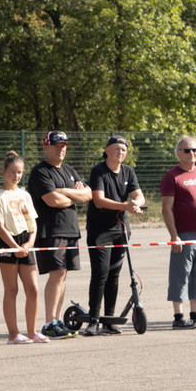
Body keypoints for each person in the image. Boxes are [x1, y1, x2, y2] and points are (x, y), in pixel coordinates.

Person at [29, 131, 90, 339]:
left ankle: (56, 320)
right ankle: (49, 323)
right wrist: (74, 195)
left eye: (63, 146)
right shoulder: (40, 172)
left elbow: (88, 194)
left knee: (63, 275)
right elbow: (53, 201)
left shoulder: (69, 169)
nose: (60, 149)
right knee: (56, 274)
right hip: (51, 231)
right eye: (56, 145)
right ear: (46, 146)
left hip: (70, 229)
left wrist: (63, 191)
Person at [83, 136, 145, 335]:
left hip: (121, 230)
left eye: (123, 150)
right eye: (116, 149)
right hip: (100, 231)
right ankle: (93, 319)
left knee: (114, 274)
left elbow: (138, 195)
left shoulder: (128, 171)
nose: (120, 152)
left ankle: (109, 320)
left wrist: (136, 203)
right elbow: (99, 200)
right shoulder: (98, 171)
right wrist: (125, 206)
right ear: (107, 150)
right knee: (100, 274)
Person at [160, 135, 196, 330]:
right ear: (178, 153)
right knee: (180, 274)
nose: (191, 153)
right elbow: (167, 209)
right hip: (184, 234)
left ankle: (195, 315)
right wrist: (174, 235)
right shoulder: (172, 176)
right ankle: (178, 317)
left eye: (195, 150)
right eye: (187, 150)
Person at [0, 152, 46, 343]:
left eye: (19, 172)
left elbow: (32, 223)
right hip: (8, 243)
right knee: (11, 290)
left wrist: (30, 242)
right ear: (4, 172)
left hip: (26, 242)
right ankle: (13, 334)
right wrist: (15, 247)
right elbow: (0, 226)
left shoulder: (25, 195)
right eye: (12, 172)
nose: (16, 176)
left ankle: (32, 332)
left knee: (33, 289)